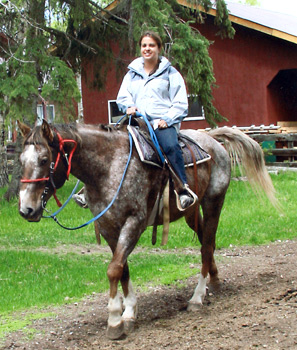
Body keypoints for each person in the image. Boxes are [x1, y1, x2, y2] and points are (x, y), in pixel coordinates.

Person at [116, 31, 197, 210]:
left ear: (159, 48)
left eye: (151, 45)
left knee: (169, 146)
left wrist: (167, 119)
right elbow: (123, 97)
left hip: (162, 123)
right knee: (113, 143)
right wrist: (129, 106)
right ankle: (90, 190)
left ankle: (182, 189)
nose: (147, 49)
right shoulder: (132, 74)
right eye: (144, 45)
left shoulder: (170, 73)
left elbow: (181, 102)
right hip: (137, 121)